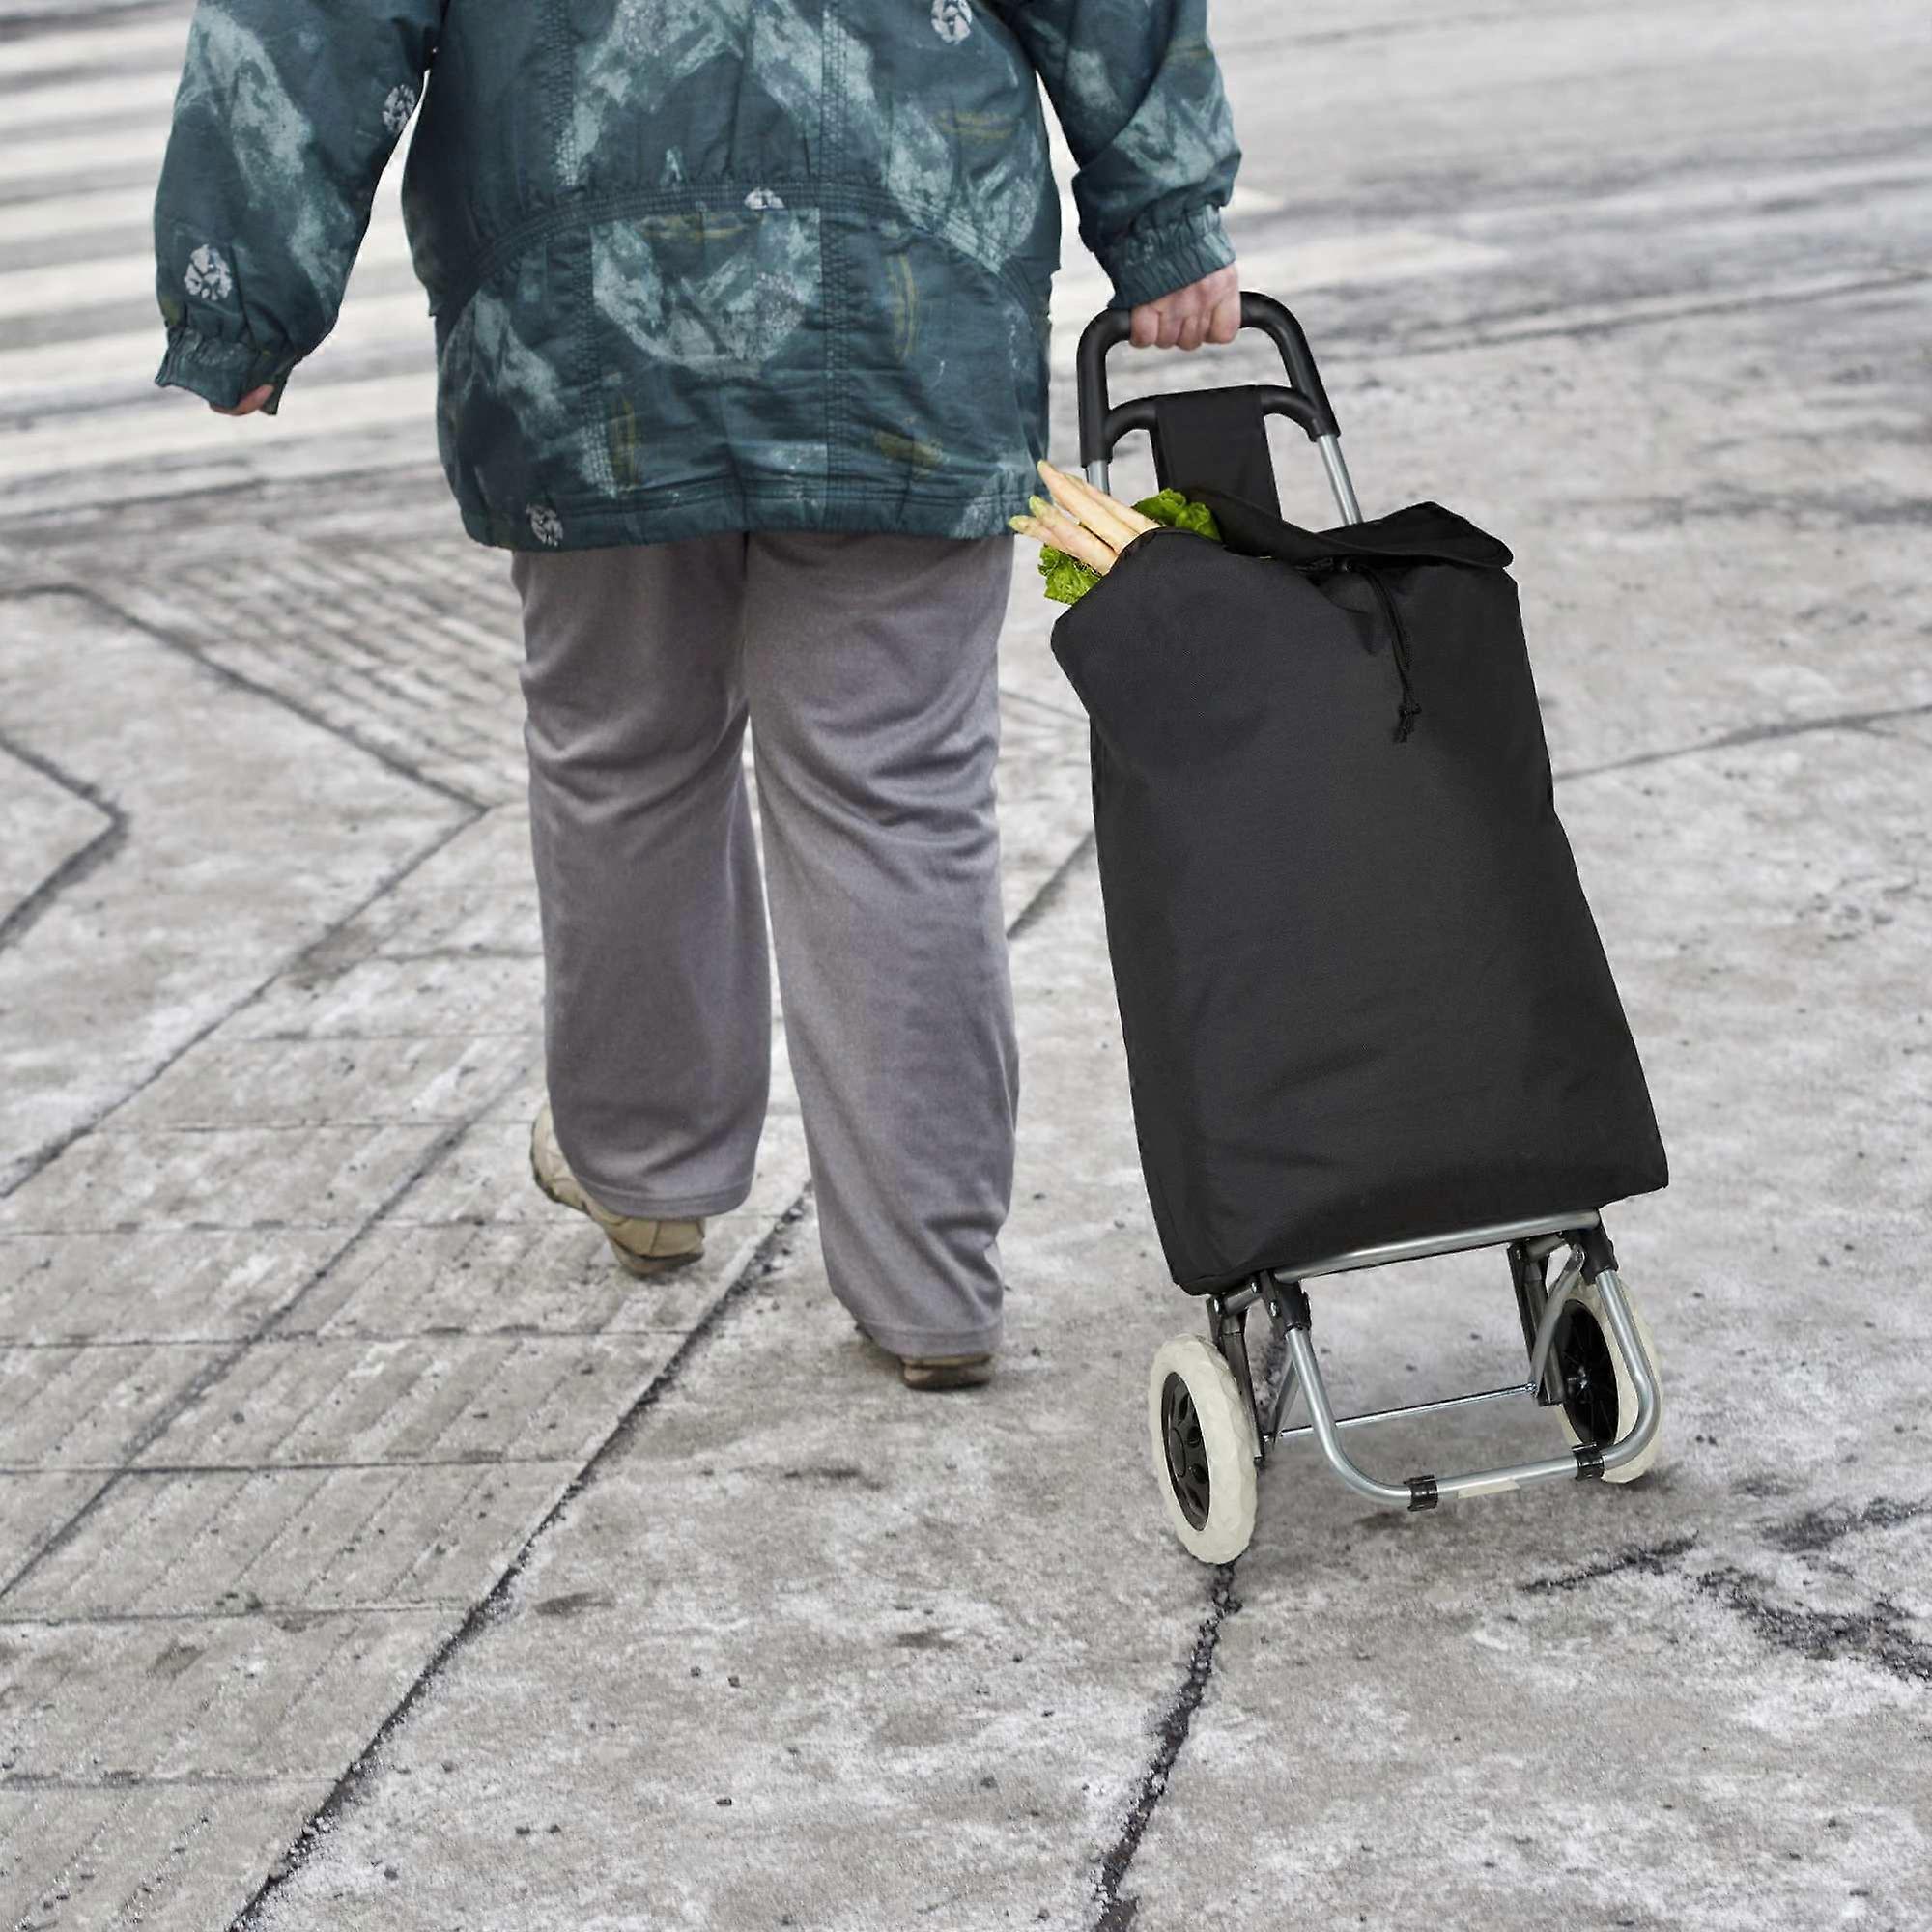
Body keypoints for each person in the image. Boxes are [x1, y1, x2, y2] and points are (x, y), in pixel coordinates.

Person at [153, 0, 1243, 1391]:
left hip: (578, 302)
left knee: (624, 753)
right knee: (892, 786)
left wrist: (243, 290)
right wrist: (1163, 221)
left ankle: (648, 1171)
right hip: (906, 264)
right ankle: (929, 1290)